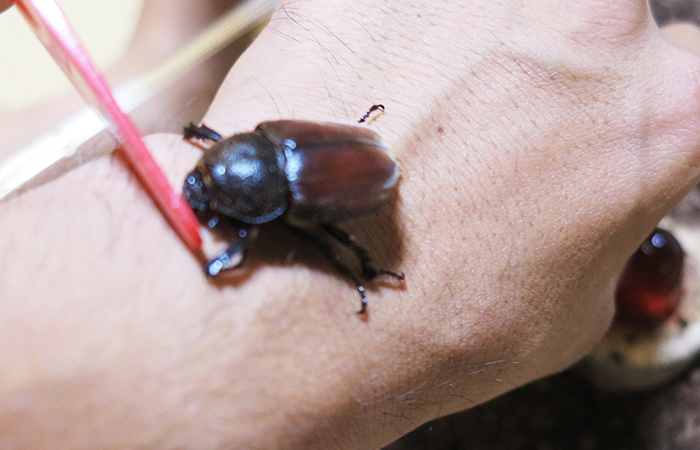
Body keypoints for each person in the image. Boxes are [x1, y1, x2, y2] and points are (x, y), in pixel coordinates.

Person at [1, 0, 699, 448]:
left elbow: (303, 230)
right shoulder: (261, 149)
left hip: (349, 170)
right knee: (317, 244)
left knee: (329, 244)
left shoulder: (281, 189)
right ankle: (153, 73)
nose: (202, 185)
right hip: (312, 154)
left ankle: (150, 74)